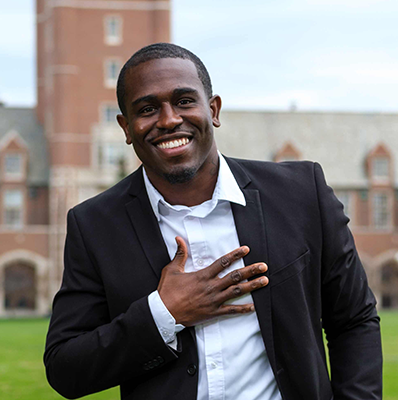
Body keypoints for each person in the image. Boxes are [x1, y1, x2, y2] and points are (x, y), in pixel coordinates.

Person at [44, 43, 382, 400]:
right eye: (146, 109)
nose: (169, 119)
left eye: (185, 101)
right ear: (126, 128)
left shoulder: (300, 194)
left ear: (214, 109)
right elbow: (66, 369)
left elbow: (354, 321)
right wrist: (164, 313)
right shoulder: (95, 225)